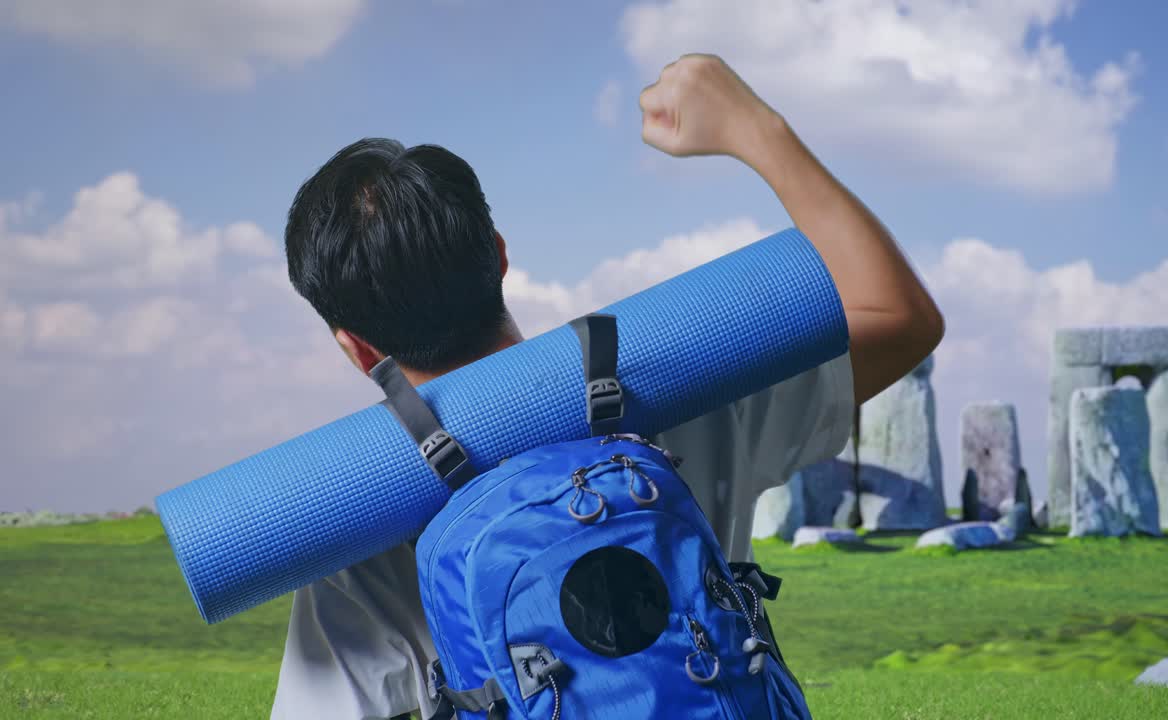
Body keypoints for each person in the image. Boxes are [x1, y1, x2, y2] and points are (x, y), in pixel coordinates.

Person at [272, 54, 944, 720]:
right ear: (500, 255)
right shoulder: (682, 398)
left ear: (356, 348)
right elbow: (901, 317)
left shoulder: (362, 520)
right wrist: (755, 128)